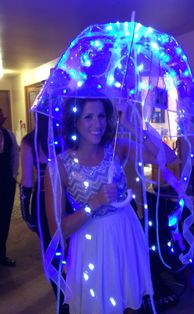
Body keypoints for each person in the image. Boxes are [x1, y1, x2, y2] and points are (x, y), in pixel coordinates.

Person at [44, 97, 176, 314]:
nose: (97, 124)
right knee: (98, 305)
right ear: (75, 121)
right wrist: (93, 203)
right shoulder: (58, 166)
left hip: (126, 233)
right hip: (91, 244)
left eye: (101, 116)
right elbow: (57, 232)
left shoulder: (117, 149)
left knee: (130, 300)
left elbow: (168, 156)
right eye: (88, 117)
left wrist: (132, 126)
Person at [20, 113, 69, 314]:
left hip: (42, 201)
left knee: (52, 254)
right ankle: (73, 300)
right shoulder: (64, 137)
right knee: (69, 251)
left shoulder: (29, 142)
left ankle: (62, 301)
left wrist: (26, 215)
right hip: (66, 196)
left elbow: (26, 183)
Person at [0, 107, 19, 267]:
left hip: (7, 184)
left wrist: (13, 177)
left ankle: (2, 254)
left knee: (4, 219)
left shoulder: (9, 136)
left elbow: (15, 157)